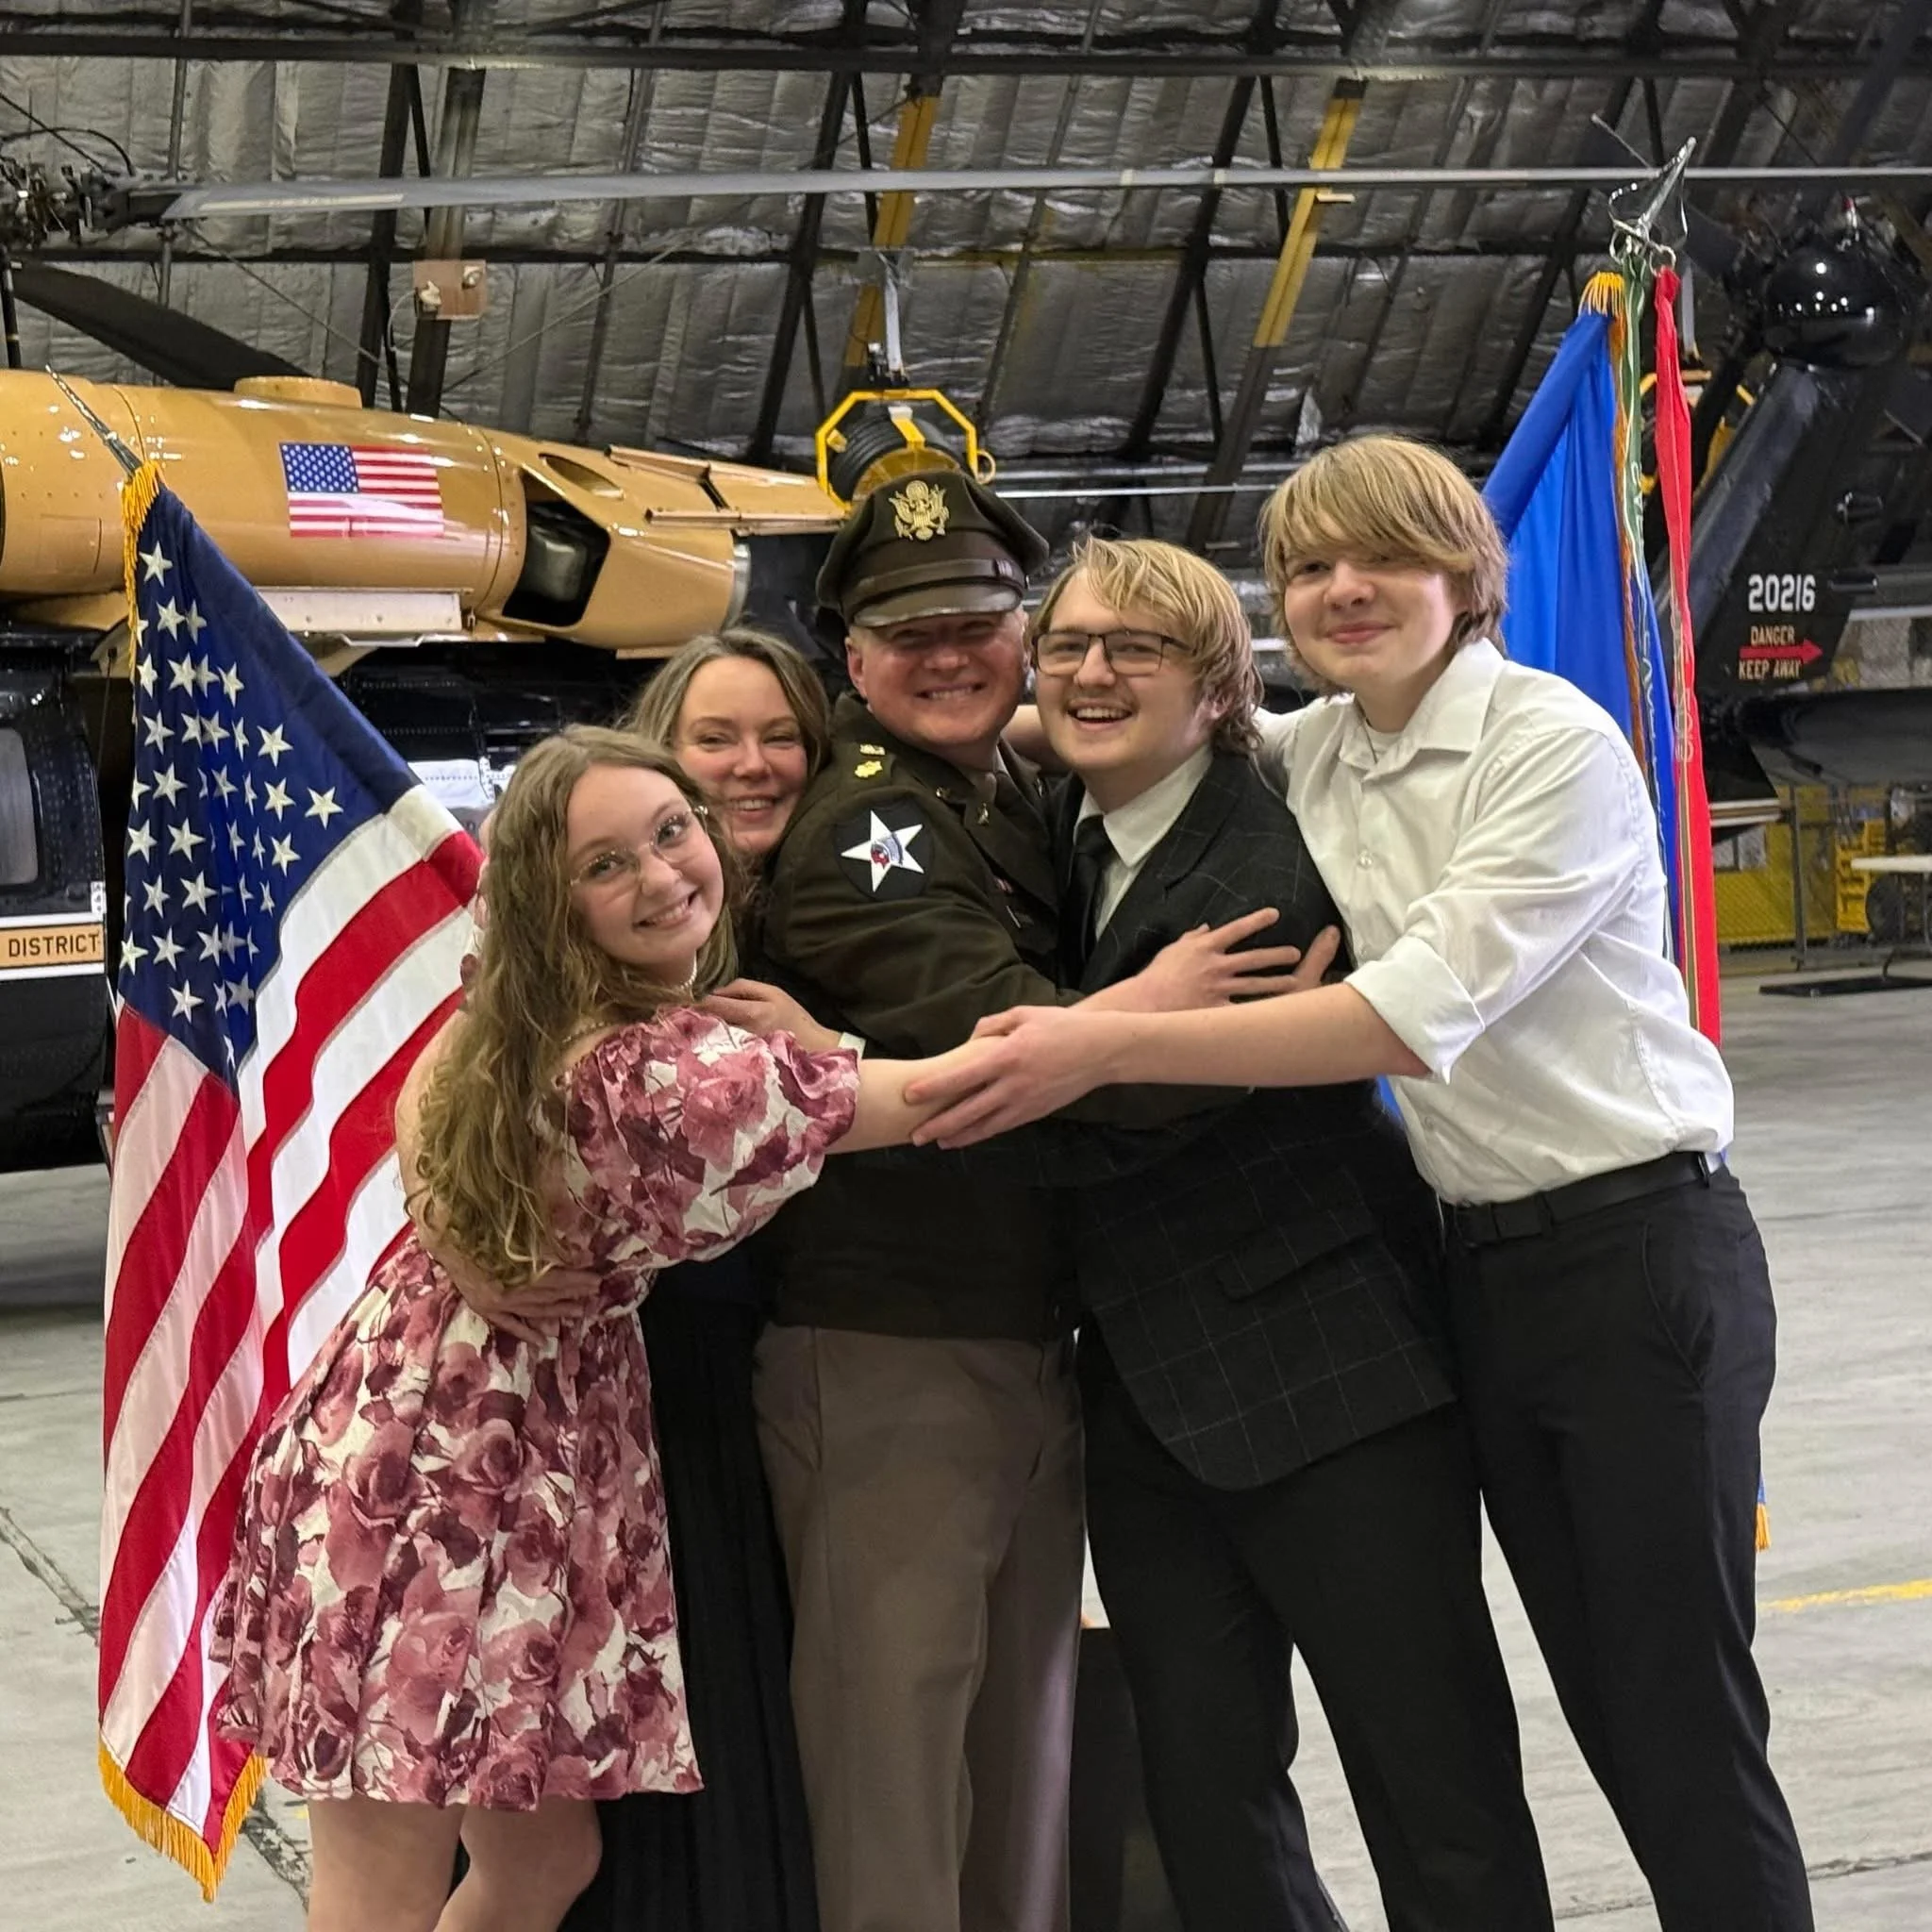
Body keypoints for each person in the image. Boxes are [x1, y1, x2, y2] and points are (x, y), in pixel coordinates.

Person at [906, 436, 1814, 1932]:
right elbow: (1127, 735)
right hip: (1477, 1268)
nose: (1340, 591)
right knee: (1594, 1691)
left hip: (1635, 1249)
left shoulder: (1549, 742)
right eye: (1310, 567)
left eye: (1379, 560)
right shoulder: (1315, 756)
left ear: (1465, 579)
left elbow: (1402, 1017)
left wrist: (1098, 1040)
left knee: (1673, 1720)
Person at [210, 726, 995, 1932]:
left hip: (507, 1470)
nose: (661, 875)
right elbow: (938, 1095)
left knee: (544, 1862)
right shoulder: (665, 1077)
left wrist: (448, 1216)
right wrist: (1123, 1025)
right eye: (605, 865)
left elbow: (426, 1081)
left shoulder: (526, 1007)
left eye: (670, 832)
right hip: (426, 1488)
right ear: (552, 901)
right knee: (378, 1886)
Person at [746, 468, 1314, 1932]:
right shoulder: (866, 832)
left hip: (1018, 1341)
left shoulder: (1000, 792)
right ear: (851, 663)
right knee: (899, 1782)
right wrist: (1163, 1015)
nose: (949, 657)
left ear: (1019, 638)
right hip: (893, 1353)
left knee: (1018, 1773)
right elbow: (1011, 1058)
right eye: (904, 634)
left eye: (979, 623)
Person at [1005, 534, 1551, 1932]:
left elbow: (1118, 1113)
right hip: (1145, 1399)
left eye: (1137, 649)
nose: (1092, 672)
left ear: (1219, 689)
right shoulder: (1062, 835)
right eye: (1067, 645)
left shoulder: (1261, 862)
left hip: (1332, 1386)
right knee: (1204, 1791)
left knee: (1435, 1791)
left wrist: (1031, 1060)